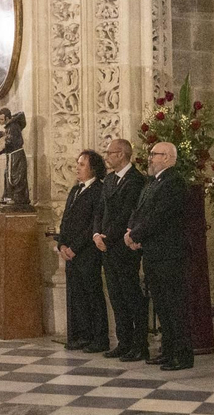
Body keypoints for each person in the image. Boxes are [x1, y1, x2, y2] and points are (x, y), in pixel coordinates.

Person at [126, 142, 192, 371]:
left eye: (154, 154)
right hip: (153, 252)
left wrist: (135, 234)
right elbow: (140, 210)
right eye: (151, 154)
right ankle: (168, 350)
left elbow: (160, 216)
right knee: (162, 306)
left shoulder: (174, 182)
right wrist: (131, 231)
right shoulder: (153, 182)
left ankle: (182, 355)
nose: (150, 158)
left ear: (168, 157)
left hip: (169, 253)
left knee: (174, 306)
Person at [94, 137, 148, 362]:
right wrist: (96, 233)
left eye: (110, 153)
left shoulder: (136, 180)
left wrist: (110, 236)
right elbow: (100, 210)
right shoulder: (108, 180)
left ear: (122, 154)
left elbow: (128, 212)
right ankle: (123, 341)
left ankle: (139, 344)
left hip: (123, 246)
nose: (107, 157)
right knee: (116, 296)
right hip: (106, 245)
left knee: (130, 295)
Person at [57, 149, 108, 353]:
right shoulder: (75, 190)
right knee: (76, 295)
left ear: (93, 168)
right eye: (77, 163)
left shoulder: (98, 190)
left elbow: (93, 225)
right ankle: (81, 335)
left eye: (82, 164)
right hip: (69, 252)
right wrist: (61, 244)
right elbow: (66, 220)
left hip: (87, 252)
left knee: (92, 295)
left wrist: (75, 248)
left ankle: (99, 338)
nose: (77, 167)